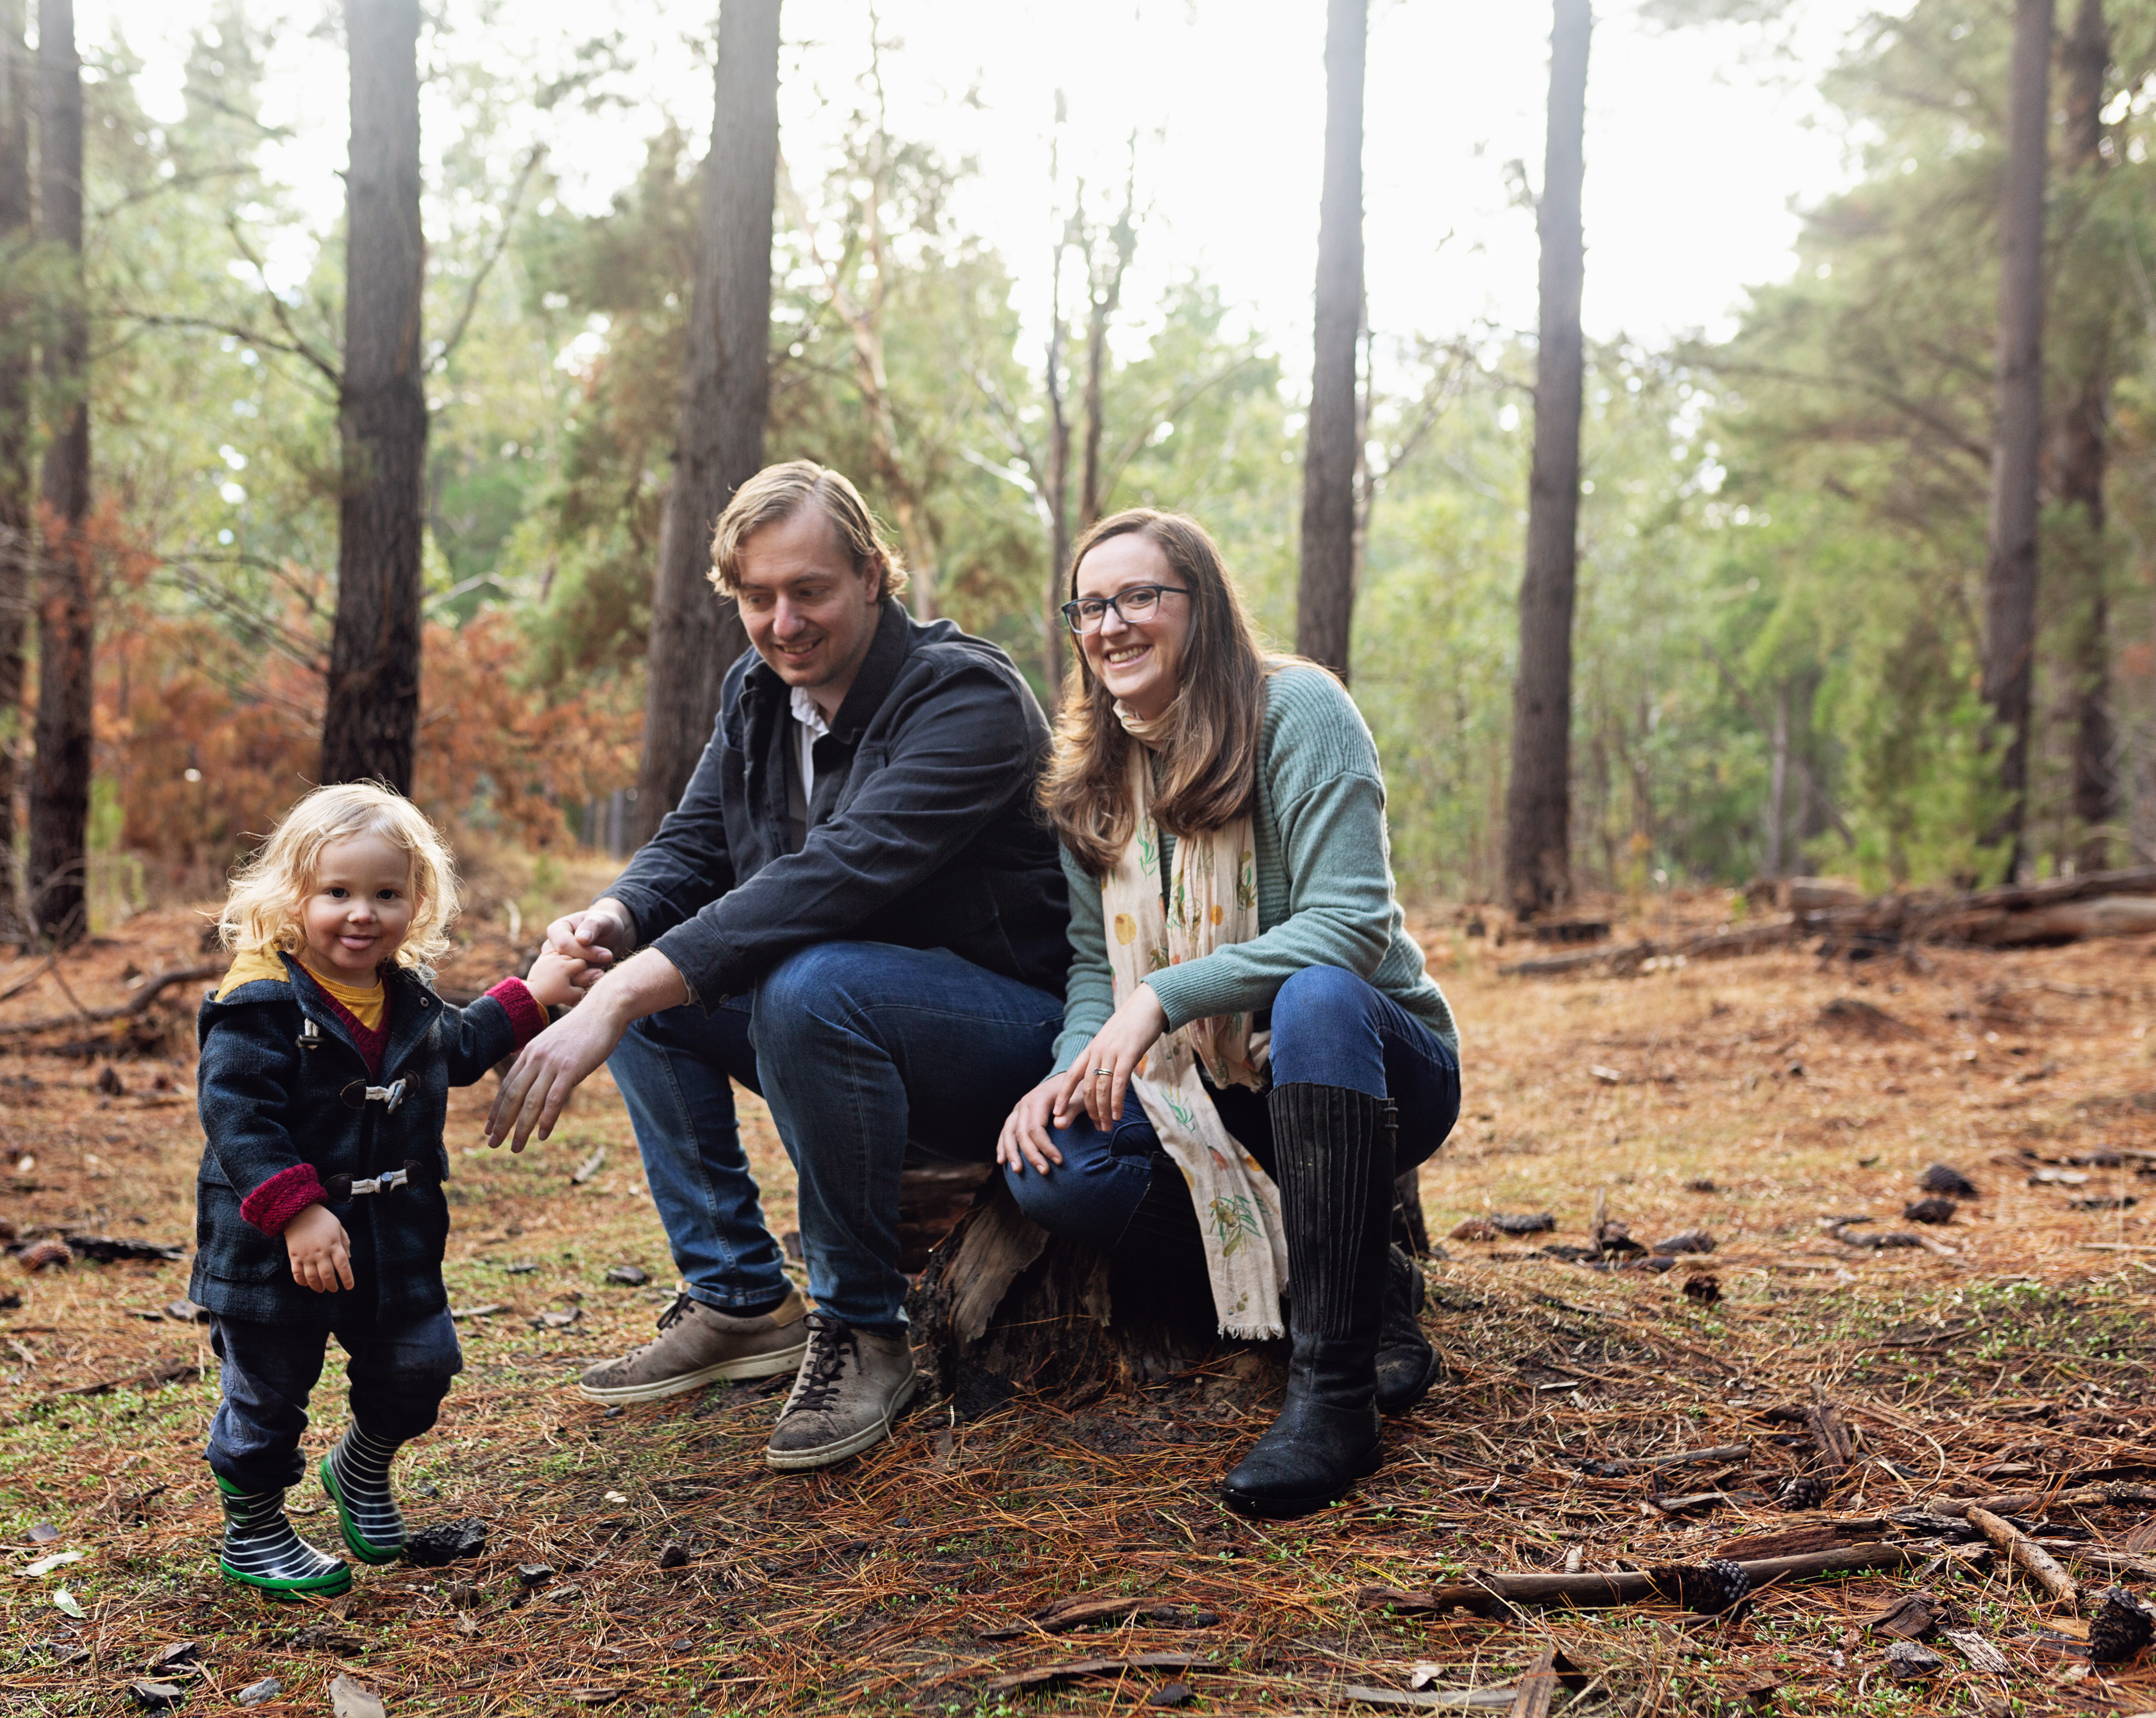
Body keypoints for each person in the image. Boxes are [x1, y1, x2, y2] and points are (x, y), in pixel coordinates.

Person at [481, 459, 1070, 1472]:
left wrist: (633, 984)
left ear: (873, 576)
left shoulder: (968, 698)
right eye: (758, 598)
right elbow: (696, 843)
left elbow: (838, 877)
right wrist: (610, 926)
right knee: (661, 985)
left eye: (810, 591)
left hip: (1013, 1040)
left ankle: (861, 1325)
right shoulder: (758, 694)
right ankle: (742, 1300)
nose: (784, 623)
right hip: (845, 1025)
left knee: (801, 981)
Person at [993, 510, 1459, 1519]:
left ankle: (1331, 1396)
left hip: (1364, 1064)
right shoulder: (1095, 772)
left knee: (1318, 994)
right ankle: (1353, 1282)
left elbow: (1349, 930)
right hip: (1203, 1094)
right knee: (1054, 1168)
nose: (1111, 624)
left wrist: (1162, 996)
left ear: (1200, 607)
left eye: (1139, 597)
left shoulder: (1298, 712)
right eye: (1090, 605)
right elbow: (1089, 964)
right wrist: (1069, 1068)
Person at [189, 782, 585, 1594]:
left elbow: (462, 1045)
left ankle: (361, 1468)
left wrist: (537, 990)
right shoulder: (259, 1000)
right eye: (336, 892)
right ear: (291, 896)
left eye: (386, 894)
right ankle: (254, 1531)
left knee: (419, 1367)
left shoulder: (401, 994)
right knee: (268, 1396)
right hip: (276, 1248)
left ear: (418, 904)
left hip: (391, 1236)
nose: (361, 913)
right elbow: (237, 1117)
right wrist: (297, 1211)